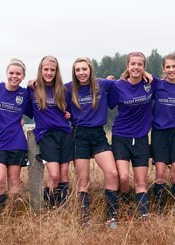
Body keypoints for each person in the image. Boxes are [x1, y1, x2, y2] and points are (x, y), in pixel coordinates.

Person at [66, 57, 119, 225]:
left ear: (90, 70)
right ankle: (84, 218)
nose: (81, 73)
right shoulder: (68, 88)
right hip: (78, 135)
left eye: (84, 69)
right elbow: (49, 89)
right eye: (78, 70)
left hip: (98, 135)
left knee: (112, 173)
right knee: (83, 180)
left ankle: (112, 216)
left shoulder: (102, 84)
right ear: (74, 72)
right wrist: (33, 82)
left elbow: (126, 80)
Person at [107, 52, 157, 219]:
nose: (136, 67)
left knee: (141, 182)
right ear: (127, 66)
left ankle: (143, 216)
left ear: (144, 67)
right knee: (123, 177)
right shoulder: (118, 86)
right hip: (121, 136)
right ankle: (125, 207)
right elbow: (105, 101)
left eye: (140, 64)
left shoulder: (151, 83)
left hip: (142, 137)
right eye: (133, 64)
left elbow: (172, 81)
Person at [0, 59, 32, 212]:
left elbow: (36, 110)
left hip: (16, 142)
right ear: (6, 73)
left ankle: (11, 215)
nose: (14, 76)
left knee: (14, 180)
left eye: (18, 74)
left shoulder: (25, 94)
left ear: (23, 76)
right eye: (11, 73)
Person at [29, 56, 73, 209]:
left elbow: (72, 112)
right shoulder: (32, 89)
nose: (48, 73)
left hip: (65, 133)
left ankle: (62, 208)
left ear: (56, 71)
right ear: (40, 70)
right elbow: (25, 110)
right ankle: (49, 206)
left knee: (64, 173)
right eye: (45, 69)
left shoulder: (64, 90)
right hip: (46, 135)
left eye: (52, 70)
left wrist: (70, 115)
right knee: (54, 175)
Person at [150, 54, 175, 213]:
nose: (171, 70)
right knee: (160, 173)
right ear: (163, 69)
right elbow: (144, 73)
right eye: (168, 67)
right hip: (159, 133)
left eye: (174, 67)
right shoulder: (157, 84)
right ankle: (158, 209)